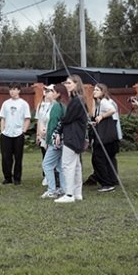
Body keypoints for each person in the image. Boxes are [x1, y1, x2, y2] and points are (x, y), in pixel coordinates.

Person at [53, 74, 87, 203]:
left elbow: (67, 118)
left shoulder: (77, 101)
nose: (66, 86)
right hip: (76, 136)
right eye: (66, 83)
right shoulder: (78, 100)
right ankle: (77, 193)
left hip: (73, 136)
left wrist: (58, 131)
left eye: (68, 83)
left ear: (76, 84)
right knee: (76, 165)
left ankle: (69, 194)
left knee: (68, 165)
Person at [89, 83, 121, 192]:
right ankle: (110, 180)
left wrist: (102, 116)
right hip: (103, 135)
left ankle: (106, 183)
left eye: (97, 90)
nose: (94, 91)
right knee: (104, 158)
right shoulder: (99, 103)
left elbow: (112, 110)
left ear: (103, 92)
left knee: (98, 158)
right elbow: (93, 115)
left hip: (104, 136)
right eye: (94, 90)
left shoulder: (104, 102)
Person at [0, 84, 32, 185]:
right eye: (10, 90)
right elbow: (3, 118)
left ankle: (17, 178)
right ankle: (7, 177)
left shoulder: (23, 104)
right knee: (6, 157)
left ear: (18, 91)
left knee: (18, 157)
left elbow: (27, 119)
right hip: (6, 134)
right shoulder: (5, 103)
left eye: (14, 90)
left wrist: (23, 131)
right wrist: (2, 131)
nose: (12, 92)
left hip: (18, 134)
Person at [40, 84, 67, 199]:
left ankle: (52, 190)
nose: (51, 93)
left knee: (47, 164)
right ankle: (63, 189)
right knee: (60, 165)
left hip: (55, 140)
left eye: (53, 91)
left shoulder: (56, 106)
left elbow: (52, 124)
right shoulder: (64, 105)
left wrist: (47, 140)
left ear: (58, 93)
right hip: (63, 139)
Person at [35, 84, 56, 184]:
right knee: (44, 154)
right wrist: (38, 134)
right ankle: (46, 175)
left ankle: (53, 176)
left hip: (51, 133)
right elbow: (39, 120)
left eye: (50, 90)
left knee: (52, 155)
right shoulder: (41, 105)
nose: (47, 92)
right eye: (46, 90)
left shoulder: (56, 105)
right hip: (42, 134)